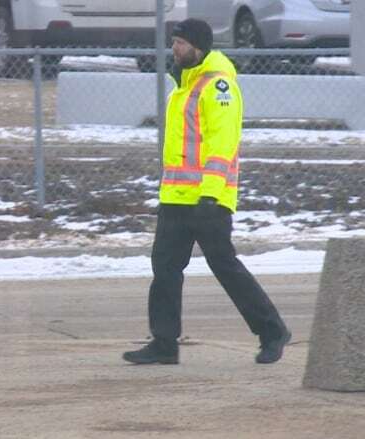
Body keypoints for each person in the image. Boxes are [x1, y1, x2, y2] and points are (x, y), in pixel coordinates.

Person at [123, 18, 291, 365]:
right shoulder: (184, 85)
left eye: (181, 43)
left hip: (207, 199)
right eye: (175, 43)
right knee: (165, 267)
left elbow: (222, 143)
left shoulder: (217, 86)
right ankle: (165, 343)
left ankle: (273, 331)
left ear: (198, 47)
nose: (175, 48)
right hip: (176, 197)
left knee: (224, 265)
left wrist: (211, 194)